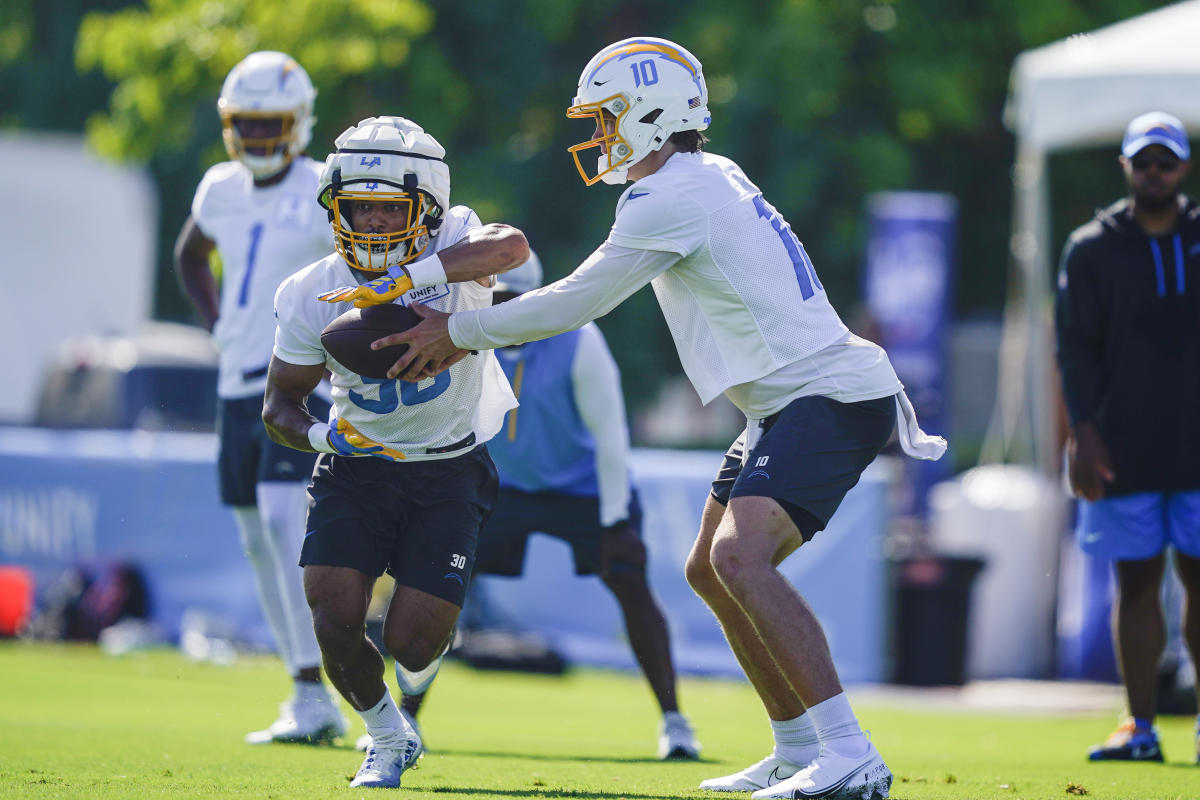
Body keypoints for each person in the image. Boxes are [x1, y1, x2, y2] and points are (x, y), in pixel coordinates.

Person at [323, 37, 945, 800]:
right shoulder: (702, 176)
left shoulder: (672, 194)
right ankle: (793, 747)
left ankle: (849, 750)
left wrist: (455, 331)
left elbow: (577, 301)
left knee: (742, 560)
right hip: (790, 401)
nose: (597, 137)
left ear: (654, 113)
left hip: (830, 394)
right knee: (707, 569)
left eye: (607, 117)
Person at [263, 114, 527, 788]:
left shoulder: (455, 241)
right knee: (333, 616)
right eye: (359, 206)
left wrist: (407, 280)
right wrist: (326, 436)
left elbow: (512, 247)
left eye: (390, 205)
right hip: (356, 466)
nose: (375, 221)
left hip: (450, 467)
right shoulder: (308, 293)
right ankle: (386, 735)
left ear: (427, 208)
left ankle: (417, 668)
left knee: (413, 642)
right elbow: (279, 407)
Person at [394, 251, 701, 760]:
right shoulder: (460, 339)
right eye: (493, 302)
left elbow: (610, 434)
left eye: (513, 303)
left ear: (535, 302)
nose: (501, 314)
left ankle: (675, 721)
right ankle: (403, 719)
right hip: (501, 487)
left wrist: (616, 518)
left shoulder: (578, 340)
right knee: (439, 592)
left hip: (581, 488)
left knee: (630, 582)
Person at [175, 50, 345, 745]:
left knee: (282, 523)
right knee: (255, 535)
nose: (258, 137)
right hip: (234, 382)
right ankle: (306, 691)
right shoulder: (220, 186)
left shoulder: (320, 186)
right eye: (247, 123)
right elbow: (190, 255)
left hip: (302, 382)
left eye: (271, 123)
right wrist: (218, 325)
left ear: (299, 122)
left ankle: (334, 679)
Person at [1056, 110, 1200, 765]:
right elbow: (1074, 350)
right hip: (1121, 446)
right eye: (1143, 161)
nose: (1154, 172)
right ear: (1125, 167)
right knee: (1136, 586)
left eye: (1164, 161)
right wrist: (1083, 432)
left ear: (1184, 168)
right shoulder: (1091, 248)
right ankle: (1140, 728)